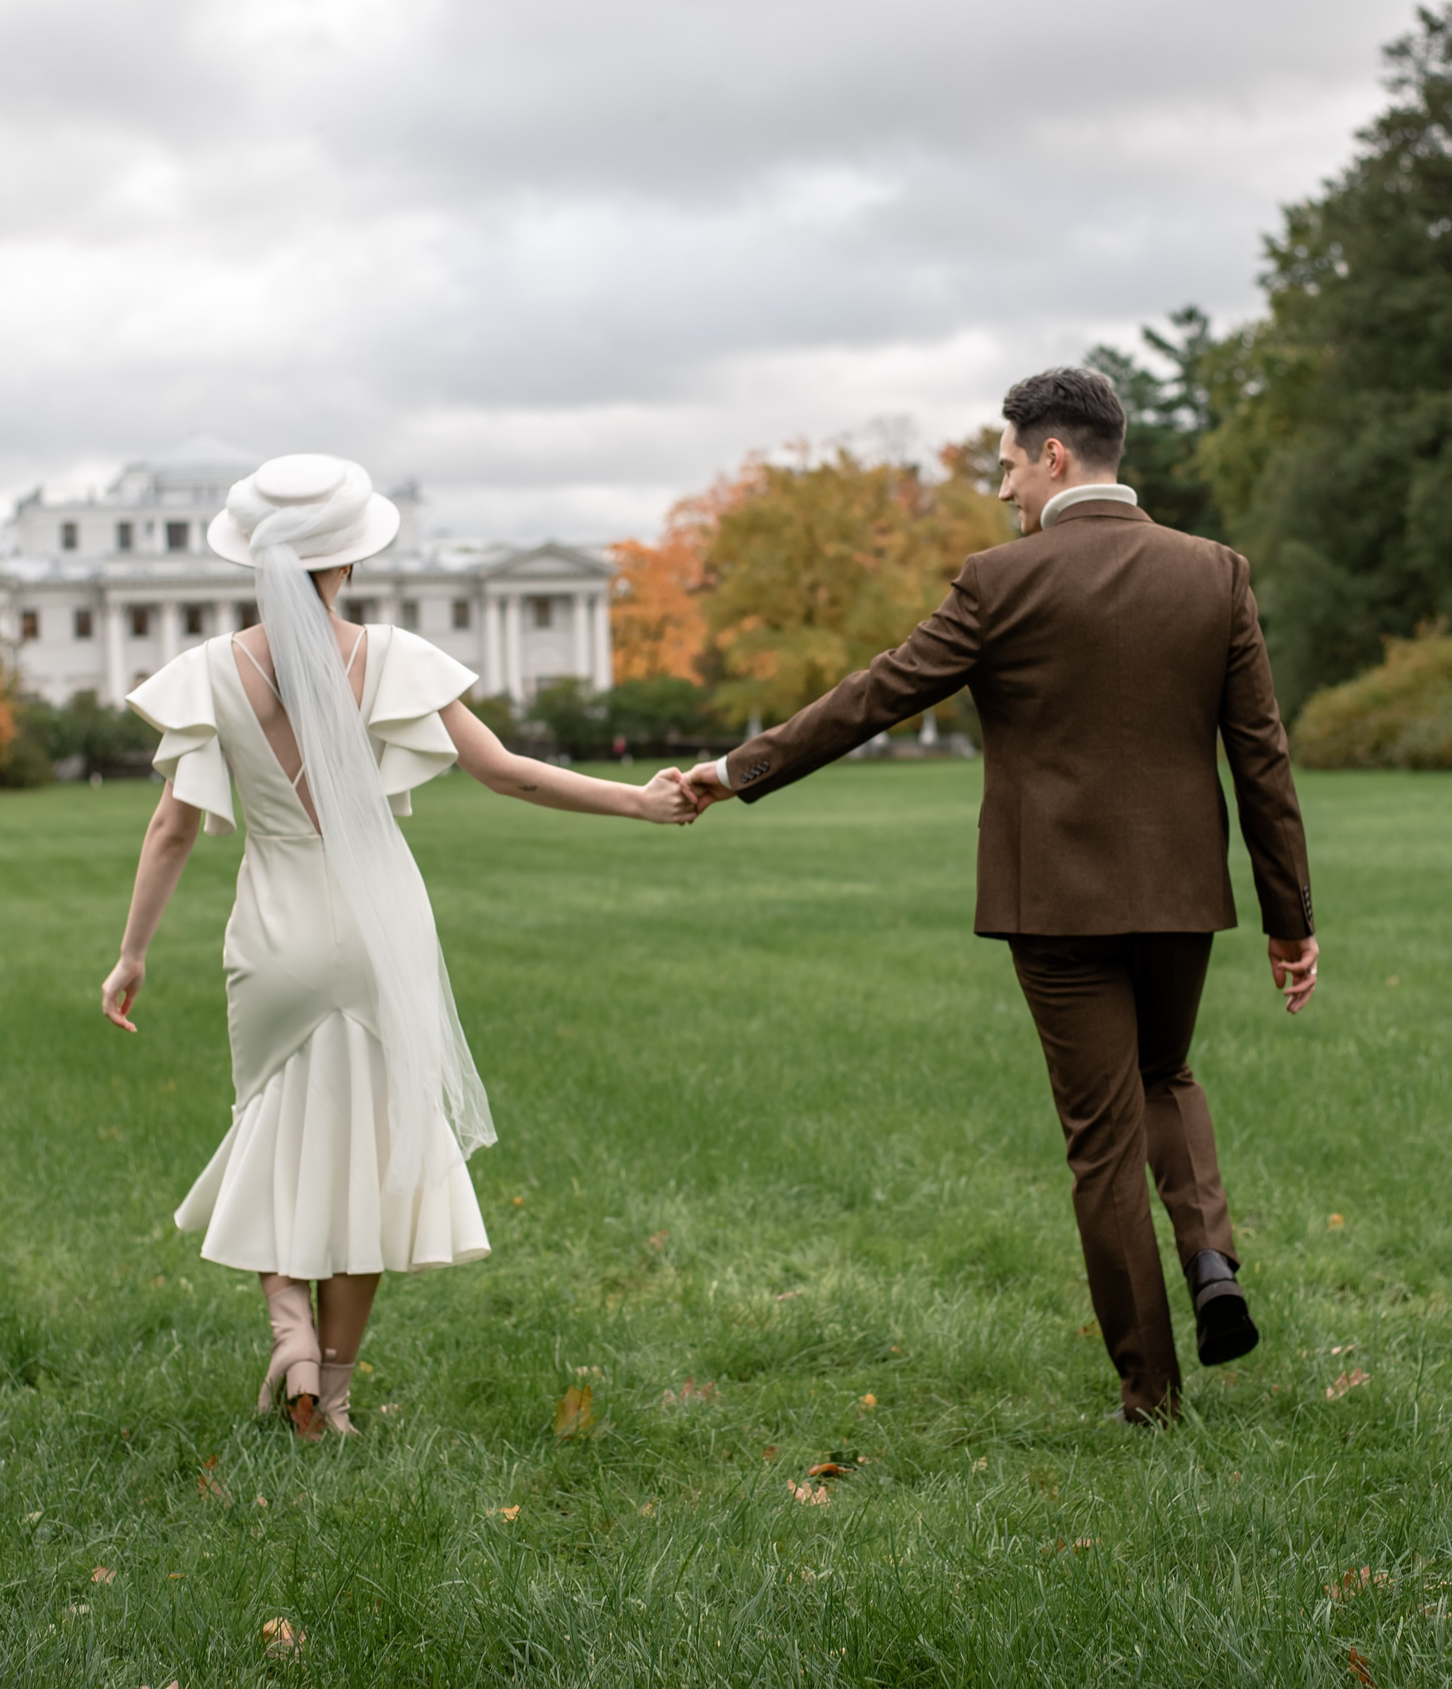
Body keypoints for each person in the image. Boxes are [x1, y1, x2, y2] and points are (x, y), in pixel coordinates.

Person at [679, 368, 1319, 1426]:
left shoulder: (999, 580)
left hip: (1053, 902)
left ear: (1055, 455)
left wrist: (735, 770)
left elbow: (872, 696)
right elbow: (1263, 760)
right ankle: (1209, 1256)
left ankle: (1149, 1394)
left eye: (1011, 463)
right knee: (1166, 1071)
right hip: (1179, 892)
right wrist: (1289, 920)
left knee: (1101, 1140)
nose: (1005, 486)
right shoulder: (1216, 574)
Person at [99, 454, 696, 1438]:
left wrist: (131, 954)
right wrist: (637, 798)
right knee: (370, 1156)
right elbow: (507, 773)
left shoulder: (209, 673)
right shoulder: (390, 656)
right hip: (383, 928)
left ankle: (286, 1327)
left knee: (273, 1131)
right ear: (352, 558)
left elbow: (170, 829)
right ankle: (330, 1394)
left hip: (274, 931)